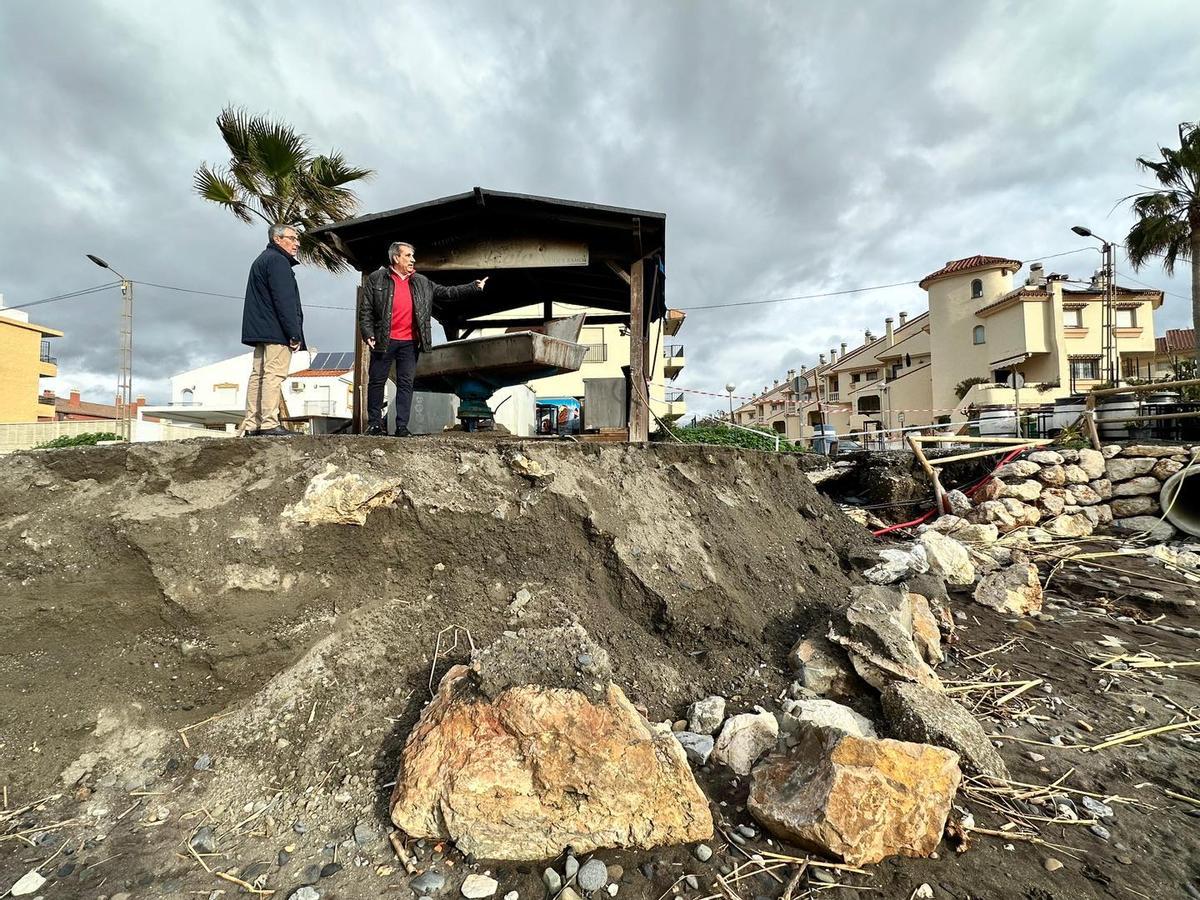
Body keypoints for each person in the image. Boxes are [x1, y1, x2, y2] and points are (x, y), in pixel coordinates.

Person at [359, 241, 487, 435]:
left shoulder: (422, 282)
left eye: (413, 256)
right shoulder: (377, 279)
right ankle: (375, 424)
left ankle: (401, 427)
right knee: (377, 381)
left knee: (406, 384)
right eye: (408, 255)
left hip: (410, 342)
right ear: (396, 258)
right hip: (383, 340)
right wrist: (368, 333)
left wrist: (473, 287)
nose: (413, 259)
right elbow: (366, 309)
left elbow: (447, 292)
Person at [239, 224, 305, 436]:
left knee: (258, 375)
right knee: (273, 375)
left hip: (260, 329)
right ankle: (268, 423)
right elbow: (284, 300)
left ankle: (252, 424)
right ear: (278, 239)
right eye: (292, 238)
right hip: (276, 330)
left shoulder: (261, 259)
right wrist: (294, 333)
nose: (297, 243)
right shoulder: (278, 261)